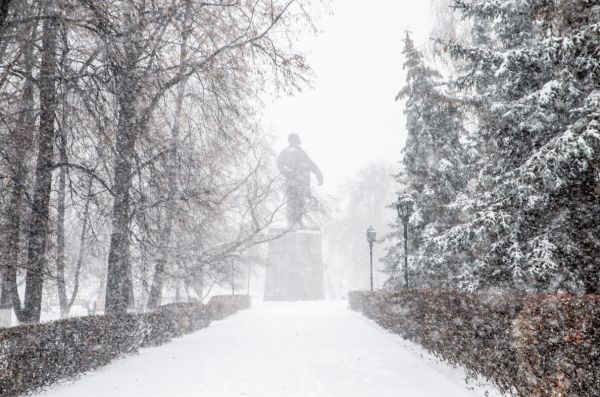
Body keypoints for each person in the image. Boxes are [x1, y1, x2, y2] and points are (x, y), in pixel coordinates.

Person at [277, 134, 323, 228]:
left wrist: (319, 175)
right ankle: (292, 223)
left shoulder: (301, 153)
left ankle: (297, 223)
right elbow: (281, 165)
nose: (295, 143)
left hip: (301, 183)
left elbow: (311, 165)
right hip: (294, 183)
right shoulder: (286, 152)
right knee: (293, 203)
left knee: (298, 203)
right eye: (294, 141)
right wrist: (289, 173)